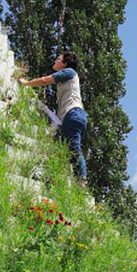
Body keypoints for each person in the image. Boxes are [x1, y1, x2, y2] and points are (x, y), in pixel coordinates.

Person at [19, 51, 88, 179]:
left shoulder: (69, 72)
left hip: (73, 114)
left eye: (58, 59)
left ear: (65, 64)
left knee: (74, 148)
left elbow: (45, 80)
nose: (55, 61)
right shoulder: (66, 79)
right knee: (69, 150)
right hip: (72, 116)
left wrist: (26, 83)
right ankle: (76, 179)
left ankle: (82, 180)